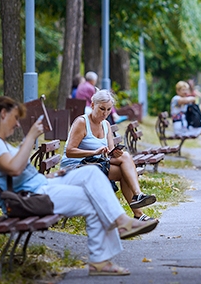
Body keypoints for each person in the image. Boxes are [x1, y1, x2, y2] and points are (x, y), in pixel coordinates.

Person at [0, 97, 158, 276]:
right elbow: (14, 169)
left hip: (39, 187)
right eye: (15, 119)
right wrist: (30, 137)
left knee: (92, 173)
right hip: (27, 197)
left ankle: (118, 230)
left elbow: (18, 172)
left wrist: (49, 175)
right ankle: (106, 250)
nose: (16, 125)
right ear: (3, 115)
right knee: (93, 198)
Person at [61, 89, 158, 221]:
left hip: (97, 163)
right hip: (75, 166)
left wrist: (115, 153)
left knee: (125, 158)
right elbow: (70, 151)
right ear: (92, 105)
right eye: (102, 109)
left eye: (108, 109)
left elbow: (110, 153)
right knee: (125, 170)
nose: (105, 113)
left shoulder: (106, 124)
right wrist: (94, 152)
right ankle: (138, 206)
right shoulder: (82, 122)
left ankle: (138, 203)